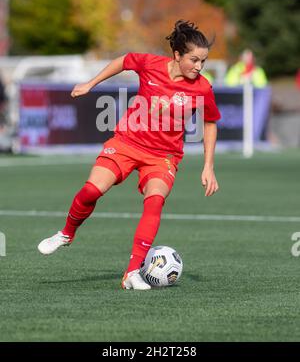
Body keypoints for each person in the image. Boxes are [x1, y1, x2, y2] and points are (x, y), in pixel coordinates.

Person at [38, 20, 221, 290]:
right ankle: (66, 234)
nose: (199, 67)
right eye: (194, 60)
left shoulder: (202, 88)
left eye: (203, 61)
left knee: (155, 200)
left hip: (163, 156)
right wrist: (91, 83)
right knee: (91, 191)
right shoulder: (150, 64)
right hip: (127, 142)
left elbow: (210, 122)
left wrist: (208, 166)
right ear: (177, 55)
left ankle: (132, 272)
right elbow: (124, 60)